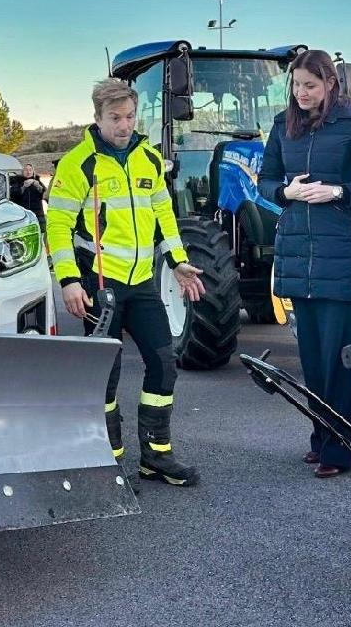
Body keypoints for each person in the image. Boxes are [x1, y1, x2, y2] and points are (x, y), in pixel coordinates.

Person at [46, 77, 205, 487]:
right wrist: (68, 280)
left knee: (164, 365)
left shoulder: (149, 158)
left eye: (130, 116)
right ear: (98, 118)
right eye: (115, 118)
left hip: (142, 284)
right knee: (105, 376)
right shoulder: (78, 163)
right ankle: (108, 460)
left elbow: (164, 215)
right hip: (100, 287)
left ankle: (156, 456)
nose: (124, 125)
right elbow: (58, 225)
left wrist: (179, 262)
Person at [259, 50, 351, 478]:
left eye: (310, 86)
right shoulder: (282, 125)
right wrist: (286, 193)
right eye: (296, 85)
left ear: (330, 83)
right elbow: (265, 181)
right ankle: (321, 439)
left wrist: (338, 192)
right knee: (314, 361)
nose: (301, 93)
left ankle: (341, 449)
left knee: (340, 360)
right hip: (298, 255)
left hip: (340, 254)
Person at [14, 163, 47, 228]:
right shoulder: (17, 181)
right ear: (22, 172)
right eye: (26, 170)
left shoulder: (37, 181)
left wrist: (38, 186)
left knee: (40, 230)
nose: (28, 172)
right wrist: (23, 187)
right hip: (23, 213)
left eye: (30, 170)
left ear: (33, 172)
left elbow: (45, 195)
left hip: (38, 213)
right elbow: (13, 195)